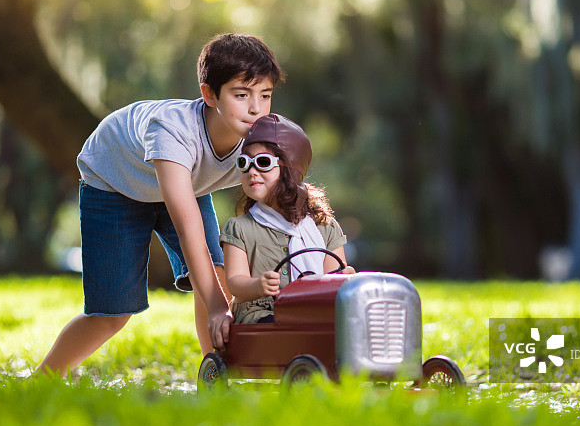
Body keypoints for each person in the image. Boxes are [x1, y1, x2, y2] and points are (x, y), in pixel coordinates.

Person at [38, 33, 283, 376]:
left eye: (265, 95)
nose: (256, 107)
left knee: (220, 276)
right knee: (112, 316)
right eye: (241, 95)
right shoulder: (173, 131)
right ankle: (45, 378)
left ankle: (217, 374)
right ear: (209, 94)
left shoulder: (262, 141)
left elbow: (290, 205)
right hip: (115, 182)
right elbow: (188, 228)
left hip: (183, 183)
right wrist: (216, 308)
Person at [220, 113, 356, 324]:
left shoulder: (325, 227)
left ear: (290, 170)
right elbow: (235, 281)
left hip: (314, 312)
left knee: (350, 326)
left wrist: (343, 277)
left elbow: (333, 278)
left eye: (262, 162)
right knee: (282, 327)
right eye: (244, 163)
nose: (251, 171)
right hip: (260, 314)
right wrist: (257, 286)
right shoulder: (239, 228)